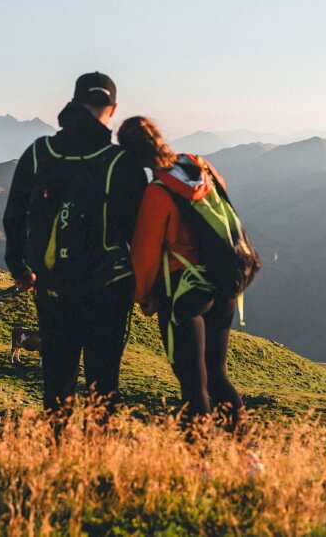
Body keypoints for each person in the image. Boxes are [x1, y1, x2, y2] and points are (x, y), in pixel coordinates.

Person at [2, 72, 147, 412]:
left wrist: (18, 267)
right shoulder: (121, 163)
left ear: (75, 103)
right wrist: (146, 288)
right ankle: (98, 459)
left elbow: (14, 215)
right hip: (108, 291)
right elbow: (138, 234)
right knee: (104, 384)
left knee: (57, 380)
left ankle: (59, 456)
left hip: (53, 288)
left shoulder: (40, 153)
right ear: (113, 109)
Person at [118, 116, 246, 434]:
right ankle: (248, 454)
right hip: (225, 283)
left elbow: (145, 255)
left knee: (193, 383)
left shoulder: (157, 193)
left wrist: (143, 297)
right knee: (217, 374)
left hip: (184, 294)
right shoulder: (201, 166)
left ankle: (199, 460)